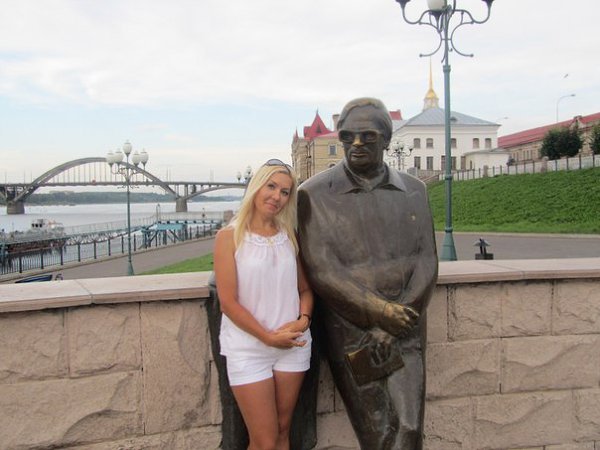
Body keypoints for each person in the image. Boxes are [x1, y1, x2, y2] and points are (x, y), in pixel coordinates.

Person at [297, 98, 438, 449]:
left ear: (386, 140)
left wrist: (397, 318)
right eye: (348, 136)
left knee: (410, 431)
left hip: (405, 330)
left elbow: (426, 260)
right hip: (354, 334)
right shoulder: (313, 194)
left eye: (367, 136)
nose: (356, 144)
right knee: (379, 435)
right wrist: (381, 313)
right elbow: (322, 269)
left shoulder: (414, 190)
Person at [214, 159, 314, 450]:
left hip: (293, 346)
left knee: (283, 432)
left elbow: (305, 289)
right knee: (264, 441)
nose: (276, 196)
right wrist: (268, 337)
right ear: (256, 187)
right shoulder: (229, 237)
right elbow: (228, 302)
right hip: (249, 349)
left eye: (285, 192)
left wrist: (303, 320)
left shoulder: (289, 236)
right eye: (271, 186)